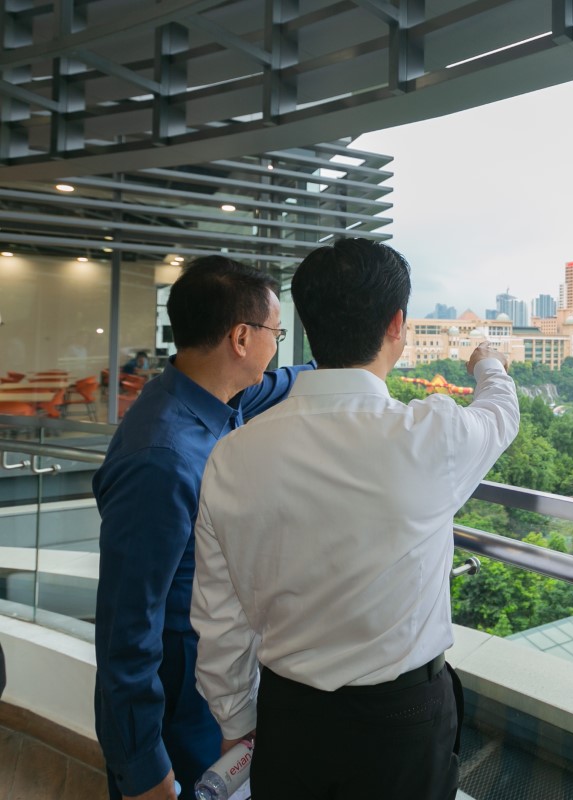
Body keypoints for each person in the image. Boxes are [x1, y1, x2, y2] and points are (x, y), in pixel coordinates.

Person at [191, 238, 518, 800]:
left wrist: (238, 725)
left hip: (289, 718)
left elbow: (219, 620)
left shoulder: (233, 454)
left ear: (307, 325)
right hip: (403, 723)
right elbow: (499, 414)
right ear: (397, 323)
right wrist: (488, 361)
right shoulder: (430, 436)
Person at [93, 256, 311, 800]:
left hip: (206, 683)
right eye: (275, 332)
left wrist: (344, 368)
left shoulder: (204, 397)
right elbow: (125, 634)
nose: (278, 345)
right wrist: (146, 770)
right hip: (177, 705)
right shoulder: (162, 459)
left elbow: (280, 384)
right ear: (241, 336)